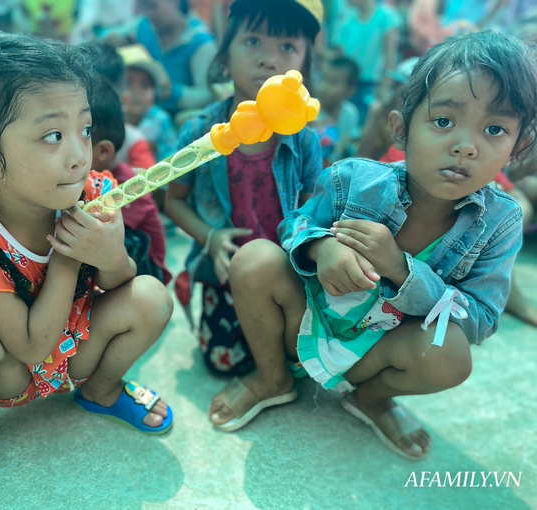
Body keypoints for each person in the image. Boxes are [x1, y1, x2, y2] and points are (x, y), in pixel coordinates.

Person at [208, 31, 537, 461]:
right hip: (307, 322)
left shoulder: (501, 223)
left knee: (451, 355)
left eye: (495, 128)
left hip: (378, 353)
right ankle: (272, 378)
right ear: (401, 129)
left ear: (518, 147)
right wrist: (321, 247)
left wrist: (402, 271)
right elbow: (294, 224)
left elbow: (479, 319)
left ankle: (371, 400)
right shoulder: (354, 180)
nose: (465, 146)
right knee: (254, 259)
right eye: (443, 121)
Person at [0, 32, 174, 509]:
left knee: (151, 296)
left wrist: (111, 257)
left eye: (85, 130)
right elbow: (30, 345)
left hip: (79, 351)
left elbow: (123, 286)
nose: (78, 154)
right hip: (14, 372)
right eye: (53, 135)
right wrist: (69, 255)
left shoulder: (94, 190)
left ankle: (103, 390)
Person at [165, 0, 323, 376]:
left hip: (284, 275)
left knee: (297, 359)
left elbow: (311, 209)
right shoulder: (198, 133)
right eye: (253, 41)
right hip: (222, 277)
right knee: (223, 365)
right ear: (224, 59)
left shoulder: (304, 141)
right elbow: (174, 202)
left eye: (287, 47)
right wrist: (211, 237)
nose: (270, 60)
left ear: (304, 66)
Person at [88, 75, 171, 283]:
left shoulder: (129, 188)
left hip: (146, 273)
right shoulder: (98, 177)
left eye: (80, 135)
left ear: (103, 150)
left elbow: (103, 234)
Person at [104, 0, 218, 115]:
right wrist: (111, 39)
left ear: (174, 2)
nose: (149, 13)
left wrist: (173, 92)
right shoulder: (143, 25)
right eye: (145, 7)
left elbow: (208, 96)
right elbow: (108, 34)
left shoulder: (201, 42)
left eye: (154, 6)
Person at [83, 41, 157, 170]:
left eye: (98, 100)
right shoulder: (65, 133)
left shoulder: (133, 141)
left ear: (123, 102)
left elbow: (150, 182)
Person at [330, 0, 401, 124]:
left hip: (372, 85)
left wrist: (385, 86)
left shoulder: (385, 17)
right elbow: (341, 58)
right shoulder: (346, 22)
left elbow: (390, 55)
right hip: (347, 85)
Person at [118, 44, 177, 162]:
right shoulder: (107, 120)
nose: (137, 92)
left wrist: (156, 149)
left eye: (145, 85)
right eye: (128, 83)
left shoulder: (159, 119)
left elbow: (172, 158)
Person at [310, 56, 361, 168]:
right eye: (322, 79)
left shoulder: (351, 113)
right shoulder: (310, 112)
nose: (323, 87)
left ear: (349, 90)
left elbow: (347, 144)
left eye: (333, 82)